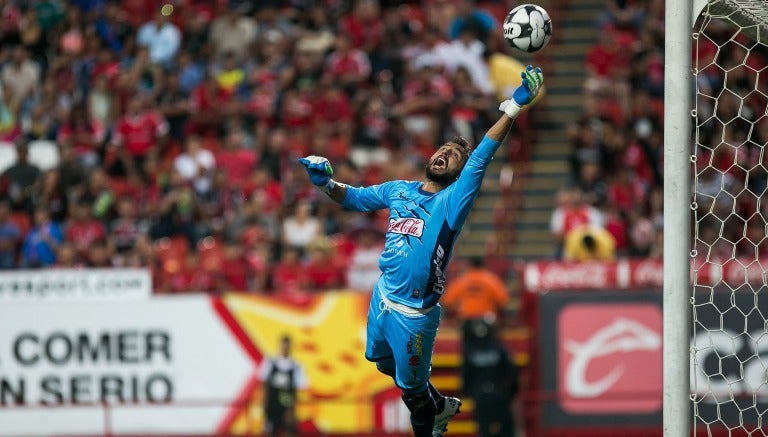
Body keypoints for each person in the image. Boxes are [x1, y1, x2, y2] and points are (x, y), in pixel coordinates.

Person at [298, 65, 544, 437]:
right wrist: (325, 183)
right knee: (381, 363)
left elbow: (482, 156)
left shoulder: (453, 200)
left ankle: (435, 416)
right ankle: (439, 404)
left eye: (454, 156)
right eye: (442, 150)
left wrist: (512, 108)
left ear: (458, 173)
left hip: (415, 313)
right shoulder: (400, 189)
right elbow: (355, 198)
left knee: (414, 400)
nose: (445, 154)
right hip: (382, 296)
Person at [461, 317, 519, 437]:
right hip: (499, 396)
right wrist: (509, 394)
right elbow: (512, 373)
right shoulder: (500, 349)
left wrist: (471, 394)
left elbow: (465, 377)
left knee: (484, 430)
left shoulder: (469, 352)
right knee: (506, 430)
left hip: (481, 398)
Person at [258, 335, 309, 437]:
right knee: (269, 431)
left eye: (287, 346)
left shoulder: (296, 366)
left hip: (286, 403)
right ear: (279, 345)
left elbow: (299, 387)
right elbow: (264, 384)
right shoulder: (270, 362)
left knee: (290, 429)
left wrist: (292, 407)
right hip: (272, 404)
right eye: (283, 345)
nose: (285, 348)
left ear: (291, 347)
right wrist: (263, 402)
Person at [442, 256, 509, 324]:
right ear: (483, 265)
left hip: (467, 319)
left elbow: (448, 300)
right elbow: (502, 300)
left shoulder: (462, 280)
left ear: (470, 266)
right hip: (487, 320)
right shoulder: (491, 280)